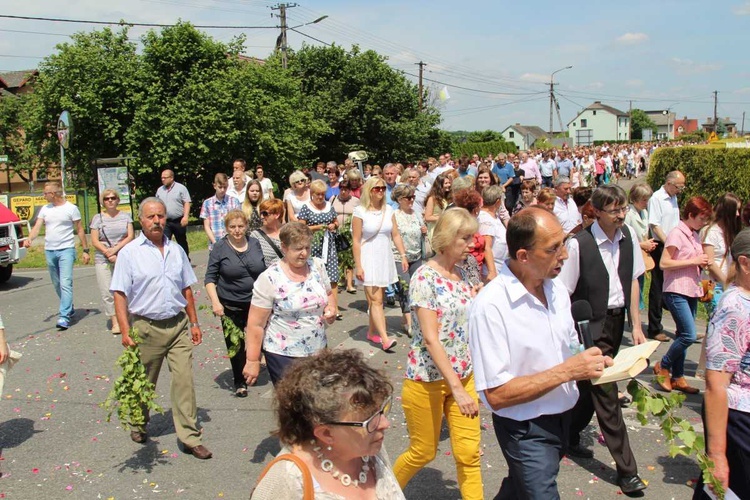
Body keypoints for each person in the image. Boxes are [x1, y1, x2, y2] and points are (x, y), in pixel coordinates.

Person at [469, 207, 612, 499]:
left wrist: (590, 359)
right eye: (554, 248)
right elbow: (496, 394)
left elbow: (568, 344)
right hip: (525, 430)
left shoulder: (556, 288)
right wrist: (569, 371)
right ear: (523, 256)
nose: (565, 255)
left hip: (562, 418)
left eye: (563, 244)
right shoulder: (491, 307)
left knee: (519, 489)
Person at [557, 185, 648, 495]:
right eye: (615, 210)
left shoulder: (629, 238)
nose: (622, 215)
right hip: (587, 327)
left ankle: (567, 436)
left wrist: (636, 324)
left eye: (623, 209)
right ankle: (628, 471)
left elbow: (634, 282)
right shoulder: (579, 245)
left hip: (616, 322)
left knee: (588, 389)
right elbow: (562, 293)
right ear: (596, 211)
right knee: (607, 394)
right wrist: (570, 337)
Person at [110, 197, 211, 459]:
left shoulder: (176, 250)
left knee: (184, 382)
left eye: (161, 216)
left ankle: (190, 436)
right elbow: (119, 294)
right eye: (151, 217)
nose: (156, 221)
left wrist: (194, 322)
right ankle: (138, 422)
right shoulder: (130, 253)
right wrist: (124, 330)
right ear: (141, 220)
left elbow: (186, 287)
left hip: (177, 326)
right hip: (146, 327)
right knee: (144, 381)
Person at [393, 208, 483, 499]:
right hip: (426, 379)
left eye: (472, 237)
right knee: (423, 452)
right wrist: (456, 389)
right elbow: (431, 340)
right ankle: (382, 491)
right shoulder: (424, 278)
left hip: (464, 374)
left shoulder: (466, 271)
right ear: (445, 238)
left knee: (470, 454)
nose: (472, 244)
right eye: (465, 238)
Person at [251, 349, 404, 500]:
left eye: (381, 411)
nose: (385, 423)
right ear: (326, 433)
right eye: (370, 420)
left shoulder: (370, 449)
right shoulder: (286, 479)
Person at [243, 222, 336, 386]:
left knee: (319, 405)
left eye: (307, 247)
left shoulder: (317, 266)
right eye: (298, 248)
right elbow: (255, 324)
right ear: (284, 248)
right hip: (283, 354)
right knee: (293, 406)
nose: (304, 253)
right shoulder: (270, 278)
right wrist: (252, 360)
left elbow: (328, 293)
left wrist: (331, 308)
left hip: (318, 349)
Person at [694, 228, 750, 500]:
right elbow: (716, 383)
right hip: (739, 419)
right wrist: (716, 455)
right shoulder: (735, 307)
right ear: (744, 263)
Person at [653, 196, 712, 394]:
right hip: (676, 289)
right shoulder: (677, 234)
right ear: (690, 215)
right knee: (689, 334)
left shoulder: (694, 235)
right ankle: (663, 365)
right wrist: (693, 260)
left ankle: (678, 376)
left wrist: (700, 262)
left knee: (682, 334)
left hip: (691, 289)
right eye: (701, 218)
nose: (704, 223)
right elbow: (664, 263)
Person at [204, 210, 266, 397]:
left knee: (260, 338)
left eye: (240, 226)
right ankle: (240, 381)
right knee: (236, 344)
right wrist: (216, 302)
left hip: (257, 302)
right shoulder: (219, 248)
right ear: (226, 228)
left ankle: (253, 360)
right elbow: (209, 278)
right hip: (230, 303)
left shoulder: (255, 243)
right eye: (232, 227)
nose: (237, 231)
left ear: (246, 226)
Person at [24, 181, 91, 330]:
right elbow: (37, 226)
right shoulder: (45, 209)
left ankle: (64, 316)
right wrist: (30, 238)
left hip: (66, 249)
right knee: (57, 284)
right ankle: (68, 307)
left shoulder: (71, 209)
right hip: (50, 250)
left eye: (46, 193)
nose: (44, 195)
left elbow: (80, 229)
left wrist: (85, 250)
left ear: (53, 194)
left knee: (65, 282)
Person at [352, 177, 408, 352]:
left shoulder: (389, 209)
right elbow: (355, 240)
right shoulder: (359, 211)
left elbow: (396, 234)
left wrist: (403, 255)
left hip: (385, 256)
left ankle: (371, 331)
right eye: (377, 188)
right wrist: (358, 266)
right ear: (369, 190)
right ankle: (384, 338)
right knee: (376, 300)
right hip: (368, 256)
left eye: (383, 188)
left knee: (378, 298)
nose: (381, 191)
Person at [647, 170, 686, 343]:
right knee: (658, 286)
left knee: (673, 285)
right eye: (678, 187)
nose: (680, 190)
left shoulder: (673, 197)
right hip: (661, 244)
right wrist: (668, 244)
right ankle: (654, 327)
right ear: (669, 183)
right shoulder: (657, 198)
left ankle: (682, 325)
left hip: (673, 243)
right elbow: (655, 225)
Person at [90, 189, 134, 334]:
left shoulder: (125, 216)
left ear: (118, 200)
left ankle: (126, 317)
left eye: (113, 198)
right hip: (103, 258)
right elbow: (95, 240)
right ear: (103, 201)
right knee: (107, 290)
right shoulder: (98, 218)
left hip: (122, 257)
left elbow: (130, 236)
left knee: (124, 289)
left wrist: (116, 250)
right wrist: (107, 252)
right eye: (107, 198)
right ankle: (115, 321)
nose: (110, 201)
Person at [297, 180, 341, 320]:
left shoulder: (329, 206)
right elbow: (301, 228)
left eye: (322, 194)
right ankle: (315, 306)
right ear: (312, 194)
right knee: (314, 276)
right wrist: (318, 227)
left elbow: (336, 222)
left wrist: (334, 225)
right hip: (313, 246)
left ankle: (334, 307)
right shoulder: (306, 208)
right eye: (318, 194)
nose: (321, 197)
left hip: (329, 245)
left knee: (332, 277)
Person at [390, 184, 426, 334]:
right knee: (405, 288)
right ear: (399, 199)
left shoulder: (416, 212)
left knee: (417, 288)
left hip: (416, 255)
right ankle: (410, 323)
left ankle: (411, 318)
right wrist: (403, 255)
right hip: (400, 256)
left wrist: (424, 230)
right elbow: (395, 235)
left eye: (413, 197)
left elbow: (422, 228)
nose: (412, 200)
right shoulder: (394, 215)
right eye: (408, 198)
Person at [702, 193, 743, 317]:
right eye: (735, 210)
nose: (737, 214)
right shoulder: (711, 232)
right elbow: (710, 263)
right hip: (711, 284)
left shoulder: (729, 231)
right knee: (718, 319)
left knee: (717, 323)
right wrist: (727, 283)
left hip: (727, 284)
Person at [624, 183, 657, 311]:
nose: (646, 202)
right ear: (635, 198)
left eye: (648, 199)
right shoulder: (628, 214)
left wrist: (648, 244)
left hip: (641, 255)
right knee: (633, 286)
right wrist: (642, 244)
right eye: (644, 199)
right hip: (630, 256)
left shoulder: (644, 212)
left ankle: (635, 313)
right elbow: (623, 238)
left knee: (640, 286)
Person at [331, 179, 360, 294]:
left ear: (349, 190)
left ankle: (349, 284)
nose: (343, 192)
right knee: (337, 257)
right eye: (342, 189)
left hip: (349, 232)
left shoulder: (355, 201)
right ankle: (339, 280)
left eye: (346, 190)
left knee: (349, 258)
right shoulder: (333, 199)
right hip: (336, 233)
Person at [155, 169, 192, 258]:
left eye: (165, 177)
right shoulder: (160, 190)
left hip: (178, 220)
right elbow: (157, 203)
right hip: (165, 221)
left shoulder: (181, 188)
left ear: (171, 178)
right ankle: (167, 260)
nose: (163, 179)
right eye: (162, 178)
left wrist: (186, 216)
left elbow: (187, 202)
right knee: (164, 241)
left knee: (181, 241)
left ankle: (185, 259)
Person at [200, 173, 241, 250]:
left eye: (225, 187)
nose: (222, 190)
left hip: (232, 244)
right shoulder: (207, 203)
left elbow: (239, 222)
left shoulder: (234, 201)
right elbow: (207, 226)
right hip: (215, 244)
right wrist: (215, 242)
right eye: (220, 187)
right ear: (214, 186)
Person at [479, 186, 508, 277]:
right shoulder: (486, 220)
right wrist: (492, 272)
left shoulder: (493, 216)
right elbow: (486, 247)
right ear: (498, 202)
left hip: (500, 267)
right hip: (490, 271)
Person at [249, 199, 285, 267]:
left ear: (277, 215)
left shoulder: (290, 231)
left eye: (265, 214)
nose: (261, 217)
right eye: (261, 213)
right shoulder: (255, 235)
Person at [424, 173, 452, 249]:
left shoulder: (445, 198)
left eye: (449, 183)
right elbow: (427, 217)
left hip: (444, 228)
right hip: (435, 229)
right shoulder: (432, 199)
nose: (448, 185)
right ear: (440, 185)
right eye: (446, 183)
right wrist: (442, 218)